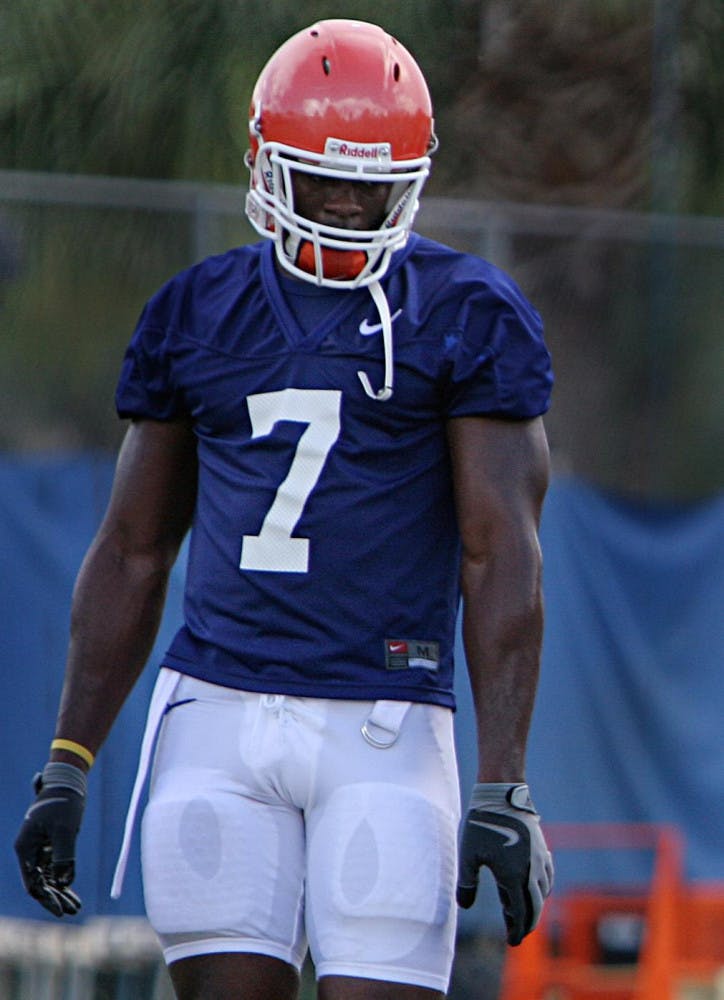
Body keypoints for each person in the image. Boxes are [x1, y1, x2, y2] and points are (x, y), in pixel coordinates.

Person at [15, 18, 554, 1000]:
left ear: (411, 179)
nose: (346, 203)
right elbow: (133, 551)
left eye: (368, 182)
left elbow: (500, 554)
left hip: (384, 726)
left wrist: (504, 780)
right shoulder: (198, 310)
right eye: (323, 177)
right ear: (267, 163)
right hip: (217, 719)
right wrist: (66, 760)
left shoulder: (466, 312)